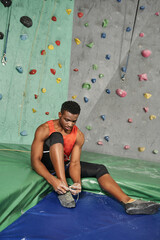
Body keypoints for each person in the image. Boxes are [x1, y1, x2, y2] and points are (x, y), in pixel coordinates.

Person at [31, 101, 160, 214]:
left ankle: (128, 202)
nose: (70, 124)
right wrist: (53, 180)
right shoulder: (44, 129)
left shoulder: (79, 135)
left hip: (63, 164)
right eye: (67, 120)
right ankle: (63, 189)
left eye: (74, 121)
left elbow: (74, 163)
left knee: (100, 169)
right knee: (56, 136)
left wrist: (77, 182)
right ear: (60, 115)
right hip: (47, 165)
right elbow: (35, 160)